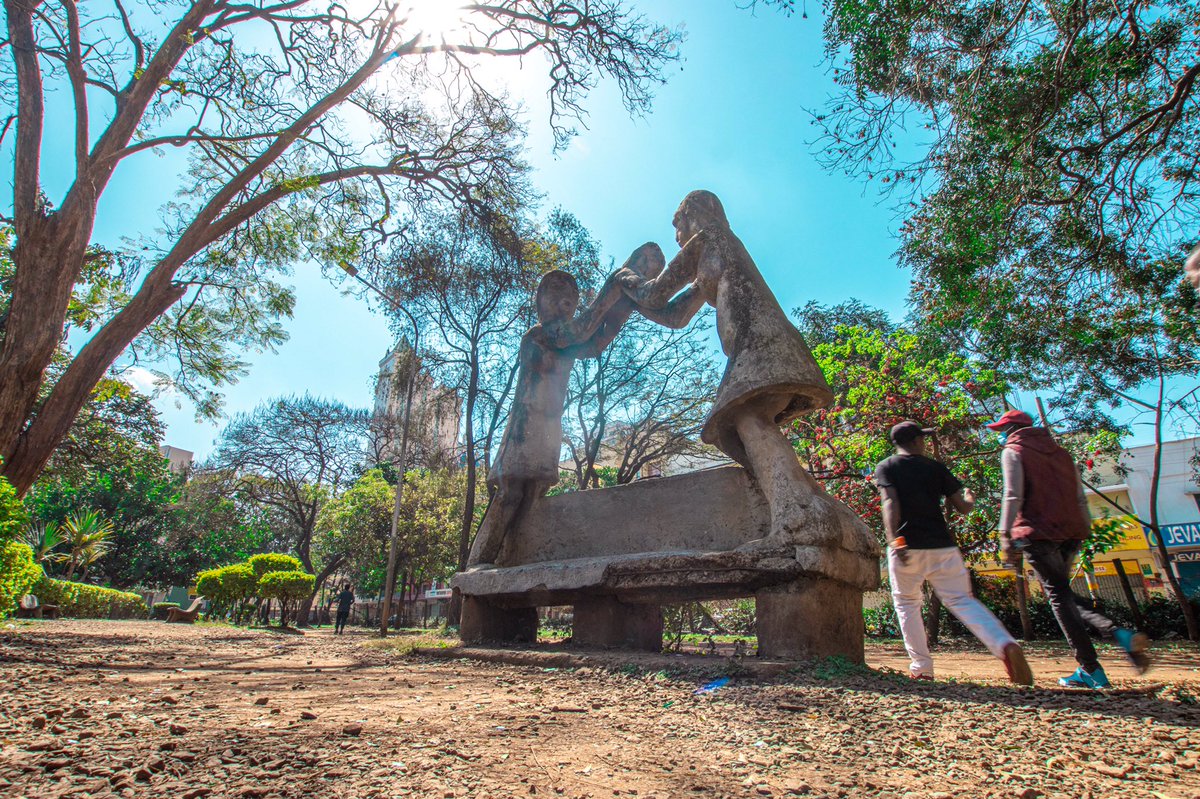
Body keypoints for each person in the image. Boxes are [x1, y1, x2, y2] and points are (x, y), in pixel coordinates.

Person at [621, 190, 874, 560]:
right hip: (754, 343)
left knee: (744, 417)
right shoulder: (717, 249)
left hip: (759, 339)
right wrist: (636, 302)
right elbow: (674, 315)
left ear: (693, 216)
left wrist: (625, 279)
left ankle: (797, 519)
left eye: (677, 227)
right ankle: (829, 516)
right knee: (735, 430)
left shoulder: (709, 239)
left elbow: (655, 294)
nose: (677, 238)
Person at [467, 246, 662, 568]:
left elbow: (599, 339)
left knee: (532, 502)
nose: (567, 297)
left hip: (548, 432)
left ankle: (510, 563)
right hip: (524, 430)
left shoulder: (569, 345)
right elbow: (584, 329)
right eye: (558, 290)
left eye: (572, 292)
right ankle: (478, 564)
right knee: (509, 495)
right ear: (542, 299)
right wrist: (615, 284)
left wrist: (627, 297)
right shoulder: (540, 335)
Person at [988, 409, 1151, 688]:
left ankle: (1096, 663)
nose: (1000, 437)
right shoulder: (1061, 453)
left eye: (1002, 431)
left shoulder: (1013, 451)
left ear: (1011, 429)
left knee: (1058, 597)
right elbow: (1078, 496)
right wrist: (1084, 527)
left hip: (1036, 533)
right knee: (1062, 593)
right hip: (1071, 531)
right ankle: (1111, 644)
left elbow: (1012, 495)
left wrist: (1005, 535)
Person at [875, 420, 1033, 685]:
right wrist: (970, 497)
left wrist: (894, 539)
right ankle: (1004, 644)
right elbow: (963, 506)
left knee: (906, 604)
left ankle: (922, 667)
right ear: (916, 441)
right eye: (922, 439)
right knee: (962, 600)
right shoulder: (935, 468)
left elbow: (890, 501)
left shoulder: (887, 466)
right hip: (942, 546)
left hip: (907, 546)